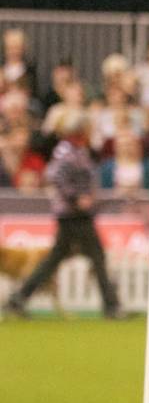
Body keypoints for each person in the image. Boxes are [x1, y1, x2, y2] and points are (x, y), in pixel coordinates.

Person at [3, 110, 122, 319]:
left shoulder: (78, 150)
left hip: (76, 214)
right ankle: (111, 306)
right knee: (96, 256)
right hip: (73, 214)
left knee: (56, 259)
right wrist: (77, 198)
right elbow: (56, 177)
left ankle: (18, 299)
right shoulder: (65, 151)